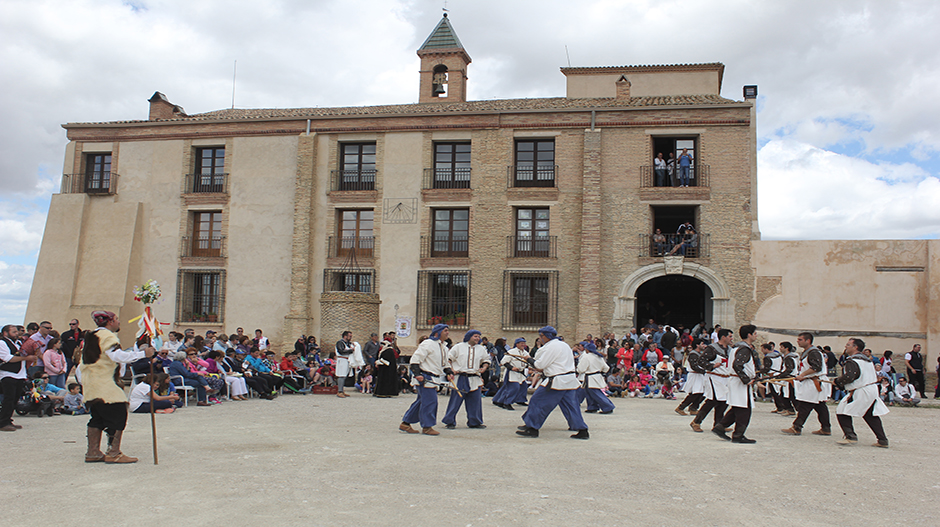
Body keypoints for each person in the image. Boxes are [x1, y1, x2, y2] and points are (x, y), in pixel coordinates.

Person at [79, 310, 154, 463]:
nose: (119, 322)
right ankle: (114, 452)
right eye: (117, 319)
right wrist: (142, 354)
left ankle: (92, 451)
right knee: (119, 413)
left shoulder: (91, 336)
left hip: (92, 383)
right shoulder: (107, 336)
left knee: (98, 417)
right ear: (110, 321)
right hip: (104, 384)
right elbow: (116, 356)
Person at [516, 326, 589, 439]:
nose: (540, 338)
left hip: (557, 381)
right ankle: (582, 430)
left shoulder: (551, 347)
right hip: (569, 380)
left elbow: (540, 365)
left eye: (542, 336)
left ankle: (532, 428)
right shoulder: (564, 345)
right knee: (571, 406)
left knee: (537, 401)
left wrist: (528, 359)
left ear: (547, 336)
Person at [833, 338, 889, 447]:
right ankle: (882, 440)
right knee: (869, 415)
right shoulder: (867, 360)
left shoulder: (852, 361)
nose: (846, 346)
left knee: (842, 411)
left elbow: (850, 376)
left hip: (862, 391)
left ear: (855, 347)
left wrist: (837, 381)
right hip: (869, 390)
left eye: (848, 345)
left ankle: (850, 436)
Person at [400, 324, 453, 436]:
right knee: (431, 402)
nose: (447, 333)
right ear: (437, 333)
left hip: (434, 377)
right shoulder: (428, 344)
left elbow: (444, 363)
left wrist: (449, 372)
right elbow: (415, 359)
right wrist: (417, 374)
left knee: (421, 401)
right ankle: (427, 426)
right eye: (445, 331)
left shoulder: (444, 347)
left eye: (448, 330)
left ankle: (406, 423)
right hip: (425, 377)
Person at [713, 325, 760, 443]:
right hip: (739, 382)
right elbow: (737, 365)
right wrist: (746, 380)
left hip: (736, 381)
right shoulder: (744, 349)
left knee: (738, 408)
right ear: (749, 334)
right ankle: (738, 435)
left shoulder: (736, 347)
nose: (756, 335)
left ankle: (720, 427)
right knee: (745, 409)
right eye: (755, 333)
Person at [782, 332, 832, 437]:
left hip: (814, 382)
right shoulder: (808, 352)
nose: (798, 341)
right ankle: (826, 428)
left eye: (800, 339)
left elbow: (816, 367)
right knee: (820, 406)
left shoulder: (813, 352)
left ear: (808, 341)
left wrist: (803, 375)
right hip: (810, 381)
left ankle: (797, 427)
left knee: (805, 405)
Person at [442, 329, 490, 429]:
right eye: (475, 336)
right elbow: (448, 359)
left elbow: (486, 360)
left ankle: (475, 421)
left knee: (475, 401)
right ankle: (450, 421)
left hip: (474, 378)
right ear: (469, 336)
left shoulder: (481, 349)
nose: (477, 338)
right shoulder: (458, 347)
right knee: (455, 400)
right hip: (461, 377)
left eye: (478, 336)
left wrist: (484, 367)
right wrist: (451, 370)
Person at [690, 328, 732, 432]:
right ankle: (696, 422)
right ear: (723, 337)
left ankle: (718, 424)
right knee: (711, 401)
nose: (731, 338)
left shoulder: (730, 349)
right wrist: (712, 366)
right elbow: (701, 361)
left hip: (725, 379)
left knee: (723, 402)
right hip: (714, 377)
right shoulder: (712, 349)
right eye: (730, 336)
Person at [577, 342, 614, 414]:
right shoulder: (598, 356)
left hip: (590, 376)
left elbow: (581, 369)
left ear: (587, 349)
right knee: (589, 393)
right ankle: (592, 407)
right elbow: (606, 368)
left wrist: (578, 370)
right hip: (597, 375)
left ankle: (608, 407)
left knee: (596, 393)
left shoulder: (586, 357)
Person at [493, 337, 530, 410]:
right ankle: (507, 402)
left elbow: (526, 362)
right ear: (517, 344)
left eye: (524, 343)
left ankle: (520, 400)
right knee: (514, 387)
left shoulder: (525, 353)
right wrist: (512, 367)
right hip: (512, 373)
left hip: (520, 373)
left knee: (524, 386)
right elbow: (504, 362)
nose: (523, 345)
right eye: (521, 343)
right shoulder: (511, 352)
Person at [675, 338, 707, 415]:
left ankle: (694, 407)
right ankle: (681, 407)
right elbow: (694, 366)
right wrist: (704, 371)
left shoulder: (699, 353)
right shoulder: (693, 354)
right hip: (695, 375)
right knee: (695, 393)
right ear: (697, 345)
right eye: (702, 344)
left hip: (699, 375)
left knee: (701, 393)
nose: (704, 346)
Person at [760, 342, 787, 413]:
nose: (762, 351)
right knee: (778, 392)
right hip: (778, 374)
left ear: (766, 349)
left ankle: (781, 408)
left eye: (762, 349)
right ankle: (780, 407)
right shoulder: (779, 355)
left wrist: (761, 371)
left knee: (775, 393)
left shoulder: (767, 357)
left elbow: (767, 368)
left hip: (772, 376)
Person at [334, 331, 355, 398]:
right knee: (341, 375)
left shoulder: (348, 343)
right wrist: (351, 350)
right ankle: (339, 391)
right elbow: (341, 351)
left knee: (344, 375)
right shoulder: (340, 343)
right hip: (342, 360)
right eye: (349, 336)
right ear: (345, 336)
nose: (350, 338)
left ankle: (342, 390)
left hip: (346, 360)